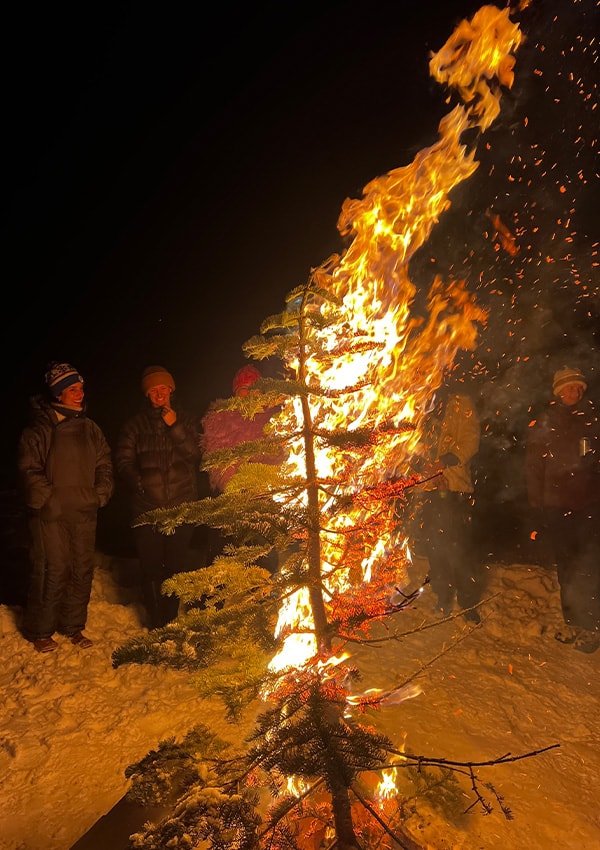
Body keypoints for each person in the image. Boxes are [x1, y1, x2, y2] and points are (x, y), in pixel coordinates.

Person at [17, 362, 114, 652]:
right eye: (72, 389)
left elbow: (104, 464)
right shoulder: (39, 430)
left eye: (81, 388)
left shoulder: (91, 429)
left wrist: (100, 494)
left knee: (82, 569)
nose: (79, 393)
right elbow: (29, 469)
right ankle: (41, 630)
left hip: (84, 511)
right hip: (51, 515)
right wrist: (48, 500)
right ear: (58, 393)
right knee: (53, 569)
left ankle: (73, 626)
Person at [115, 365, 201, 629]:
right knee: (150, 568)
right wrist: (138, 481)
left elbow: (196, 455)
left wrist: (174, 426)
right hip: (147, 508)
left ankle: (170, 619)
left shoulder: (186, 421)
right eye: (153, 390)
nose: (159, 394)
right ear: (147, 394)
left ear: (171, 390)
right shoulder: (134, 426)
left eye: (163, 388)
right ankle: (155, 622)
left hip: (181, 505)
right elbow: (122, 460)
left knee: (174, 567)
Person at [526, 366, 600, 653]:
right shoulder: (546, 421)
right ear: (558, 391)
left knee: (589, 565)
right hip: (557, 504)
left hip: (588, 504)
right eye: (570, 387)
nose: (575, 392)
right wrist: (537, 504)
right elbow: (534, 465)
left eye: (579, 388)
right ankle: (574, 622)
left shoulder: (591, 419)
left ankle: (591, 627)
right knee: (566, 567)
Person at [200, 363, 283, 571]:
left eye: (255, 389)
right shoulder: (221, 418)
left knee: (265, 556)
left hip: (263, 497)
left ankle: (265, 589)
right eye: (244, 389)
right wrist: (238, 484)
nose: (250, 394)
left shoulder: (275, 419)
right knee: (224, 556)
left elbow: (281, 456)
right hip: (231, 498)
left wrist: (262, 481)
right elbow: (217, 460)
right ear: (236, 393)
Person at [409, 386, 482, 622]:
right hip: (429, 489)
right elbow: (409, 447)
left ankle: (468, 602)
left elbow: (470, 442)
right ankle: (442, 597)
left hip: (455, 489)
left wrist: (442, 463)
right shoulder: (418, 404)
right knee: (436, 547)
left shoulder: (461, 403)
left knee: (460, 547)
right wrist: (424, 468)